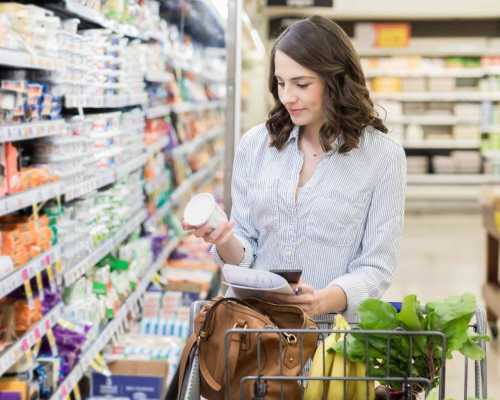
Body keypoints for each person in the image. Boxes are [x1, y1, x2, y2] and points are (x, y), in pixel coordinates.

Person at [183, 15, 407, 321]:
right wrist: (224, 240)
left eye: (301, 84)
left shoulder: (383, 157)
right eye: (280, 82)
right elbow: (245, 251)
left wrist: (324, 301)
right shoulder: (256, 145)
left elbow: (376, 267)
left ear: (336, 80)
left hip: (329, 343)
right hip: (255, 337)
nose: (287, 96)